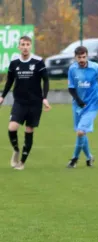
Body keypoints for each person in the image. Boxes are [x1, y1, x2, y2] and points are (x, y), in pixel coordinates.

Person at [0, 36, 51, 170]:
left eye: (28, 44)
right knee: (12, 128)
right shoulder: (14, 62)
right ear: (19, 47)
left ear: (30, 46)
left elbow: (45, 80)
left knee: (29, 130)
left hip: (35, 103)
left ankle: (22, 163)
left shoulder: (38, 61)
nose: (25, 47)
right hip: (20, 102)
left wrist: (44, 98)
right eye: (22, 44)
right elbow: (9, 81)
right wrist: (2, 96)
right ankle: (16, 150)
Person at [66, 46, 98, 168]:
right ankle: (89, 157)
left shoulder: (95, 67)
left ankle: (74, 159)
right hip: (78, 105)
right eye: (79, 57)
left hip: (92, 106)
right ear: (75, 57)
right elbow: (71, 88)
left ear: (87, 56)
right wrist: (78, 101)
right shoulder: (72, 69)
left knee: (80, 132)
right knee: (81, 133)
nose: (81, 59)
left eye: (84, 57)